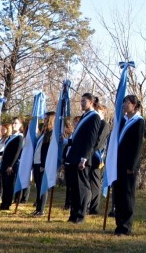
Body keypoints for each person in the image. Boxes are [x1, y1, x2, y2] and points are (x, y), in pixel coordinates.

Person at [65, 93, 104, 224]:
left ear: (92, 102)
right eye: (81, 101)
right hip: (74, 155)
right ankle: (73, 214)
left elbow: (91, 140)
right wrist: (65, 141)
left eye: (84, 101)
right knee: (74, 188)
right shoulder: (84, 116)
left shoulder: (94, 117)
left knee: (82, 187)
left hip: (82, 157)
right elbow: (77, 139)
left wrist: (84, 158)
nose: (81, 103)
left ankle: (80, 215)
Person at [112, 94, 145, 235]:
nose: (123, 105)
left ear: (133, 105)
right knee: (118, 194)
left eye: (126, 103)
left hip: (128, 166)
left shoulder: (138, 121)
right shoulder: (123, 120)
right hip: (118, 163)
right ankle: (119, 224)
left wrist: (132, 166)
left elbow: (137, 146)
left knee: (127, 195)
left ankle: (126, 226)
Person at [31, 111, 56, 216]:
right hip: (36, 161)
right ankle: (37, 208)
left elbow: (47, 151)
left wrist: (43, 164)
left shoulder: (51, 133)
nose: (44, 120)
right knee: (38, 186)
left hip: (42, 163)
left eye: (46, 119)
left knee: (42, 187)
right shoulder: (44, 132)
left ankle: (41, 210)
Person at [89, 100, 111, 215]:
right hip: (90, 155)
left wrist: (90, 150)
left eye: (98, 111)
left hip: (97, 156)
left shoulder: (104, 125)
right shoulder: (94, 123)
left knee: (95, 182)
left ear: (103, 112)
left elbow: (99, 142)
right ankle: (89, 204)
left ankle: (94, 207)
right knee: (89, 181)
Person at [0, 117, 24, 211]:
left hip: (11, 165)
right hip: (4, 163)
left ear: (20, 125)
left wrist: (11, 166)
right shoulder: (10, 136)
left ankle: (7, 203)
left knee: (9, 184)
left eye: (16, 123)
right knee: (4, 184)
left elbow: (17, 153)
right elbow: (6, 151)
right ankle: (3, 202)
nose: (14, 125)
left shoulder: (19, 137)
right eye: (13, 123)